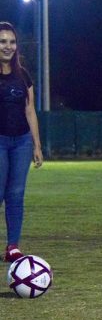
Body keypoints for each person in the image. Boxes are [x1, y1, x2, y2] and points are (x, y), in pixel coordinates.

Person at [0, 22, 44, 262]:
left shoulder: (23, 74)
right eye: (3, 42)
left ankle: (12, 246)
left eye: (12, 42)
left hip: (22, 142)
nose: (8, 46)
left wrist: (36, 145)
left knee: (16, 194)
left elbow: (30, 111)